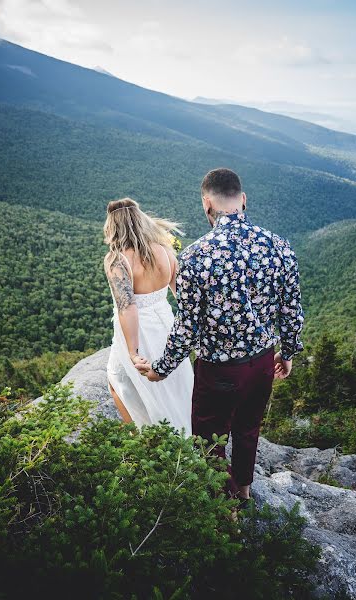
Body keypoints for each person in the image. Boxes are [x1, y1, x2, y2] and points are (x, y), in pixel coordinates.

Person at [136, 168, 304, 506]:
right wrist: (287, 353)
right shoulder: (279, 246)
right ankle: (242, 490)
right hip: (260, 363)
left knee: (209, 440)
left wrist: (160, 369)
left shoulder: (195, 257)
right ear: (242, 200)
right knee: (248, 429)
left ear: (206, 204)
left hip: (218, 371)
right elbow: (291, 310)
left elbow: (187, 326)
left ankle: (220, 506)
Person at [104, 197, 194, 436]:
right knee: (175, 386)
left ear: (112, 226)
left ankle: (142, 440)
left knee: (119, 383)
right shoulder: (165, 249)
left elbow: (127, 307)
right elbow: (183, 296)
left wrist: (133, 352)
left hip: (138, 331)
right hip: (166, 325)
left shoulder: (117, 259)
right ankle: (185, 436)